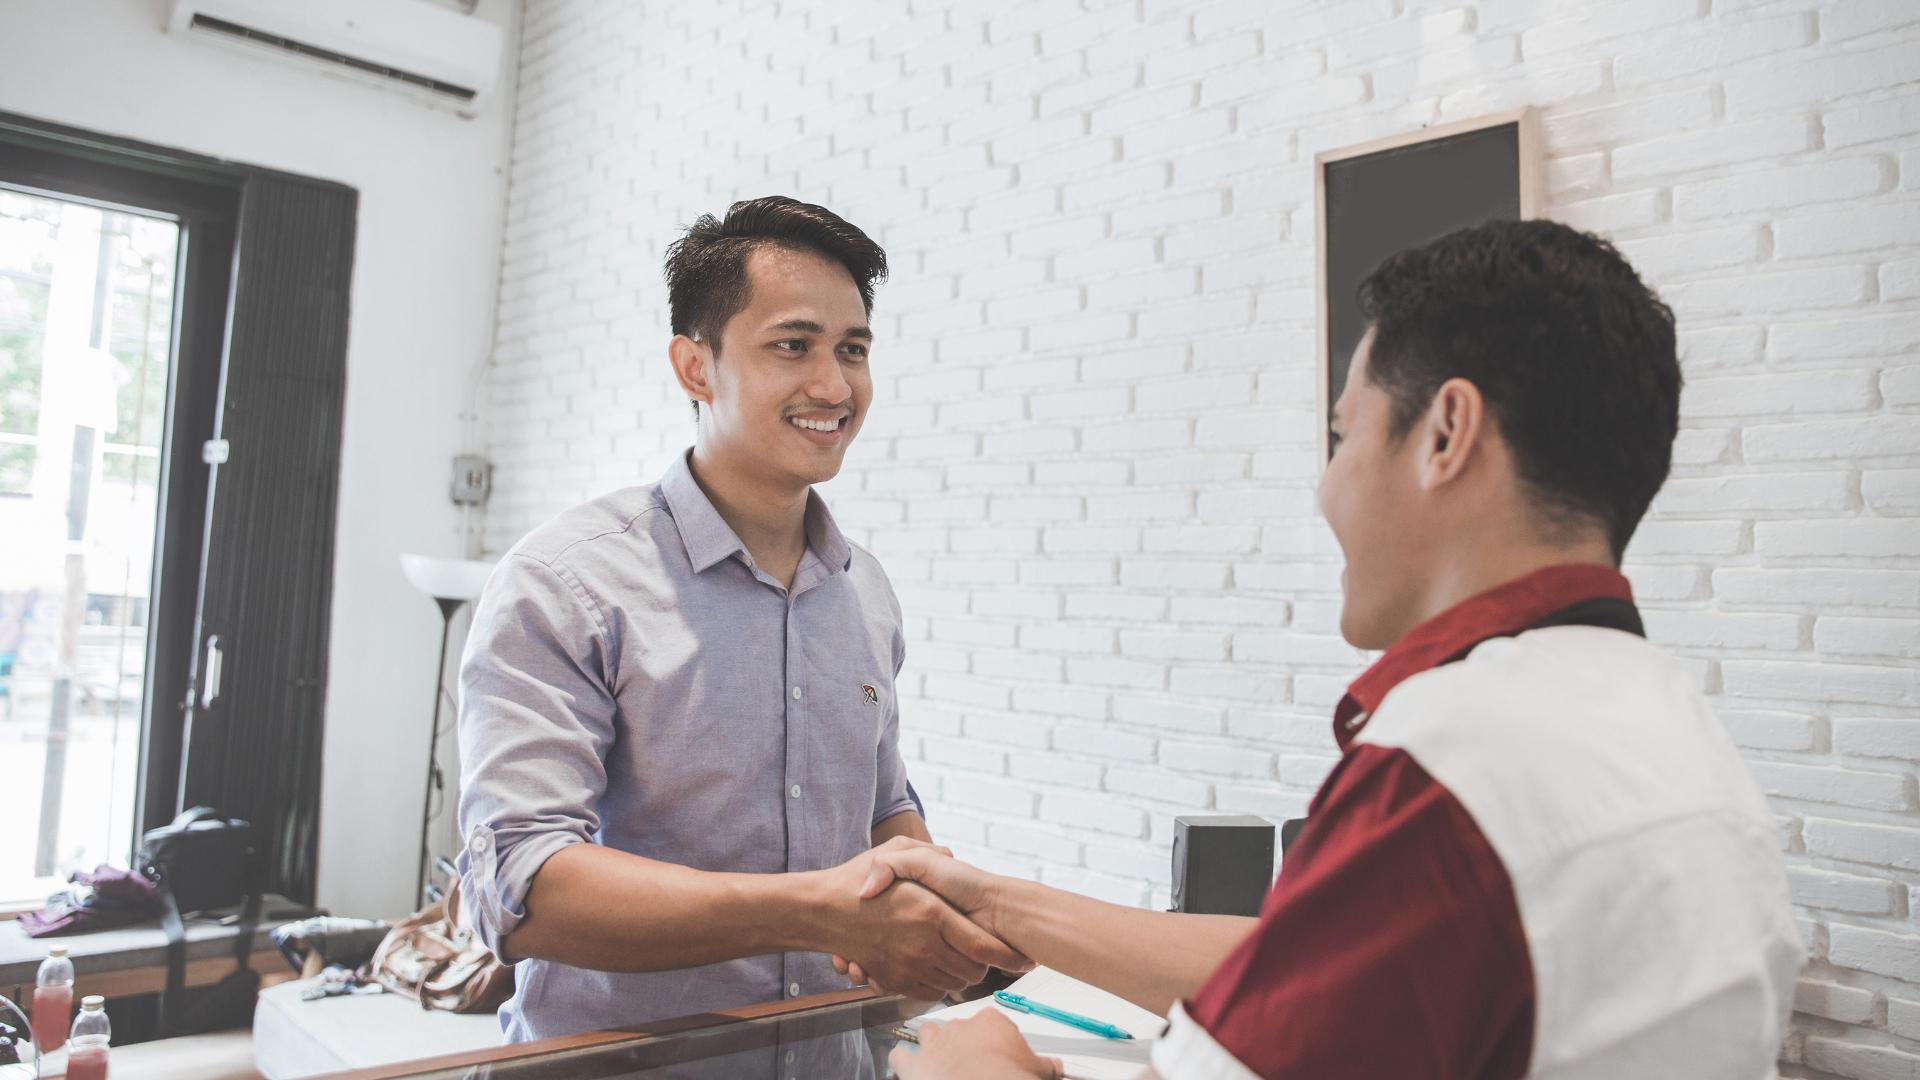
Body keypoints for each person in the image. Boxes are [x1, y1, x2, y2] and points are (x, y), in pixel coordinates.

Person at [871, 219, 1802, 1079]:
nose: (1326, 488)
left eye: (1341, 434)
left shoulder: (1456, 762)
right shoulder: (1670, 732)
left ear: (1445, 433)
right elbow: (1317, 968)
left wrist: (975, 1071)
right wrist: (996, 903)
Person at [454, 196, 1022, 1060]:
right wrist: (818, 908)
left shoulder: (863, 590)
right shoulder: (566, 582)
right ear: (694, 365)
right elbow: (525, 890)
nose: (833, 386)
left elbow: (882, 810)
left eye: (853, 350)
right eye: (793, 346)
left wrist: (940, 914)